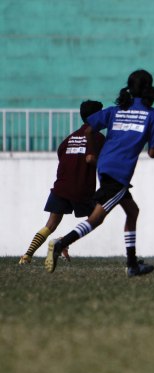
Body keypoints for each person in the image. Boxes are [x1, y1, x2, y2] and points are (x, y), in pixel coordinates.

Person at [45, 69, 154, 277]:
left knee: (132, 211)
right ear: (149, 89)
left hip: (106, 167)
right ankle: (61, 243)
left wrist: (94, 152)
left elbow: (90, 128)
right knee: (96, 219)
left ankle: (132, 264)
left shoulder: (114, 111)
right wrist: (153, 143)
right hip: (119, 173)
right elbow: (153, 153)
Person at [19, 100, 105, 265]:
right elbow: (97, 161)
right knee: (96, 218)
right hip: (82, 188)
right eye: (102, 115)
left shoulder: (69, 138)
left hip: (60, 187)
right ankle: (62, 242)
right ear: (95, 117)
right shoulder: (98, 138)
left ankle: (27, 256)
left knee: (50, 224)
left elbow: (62, 156)